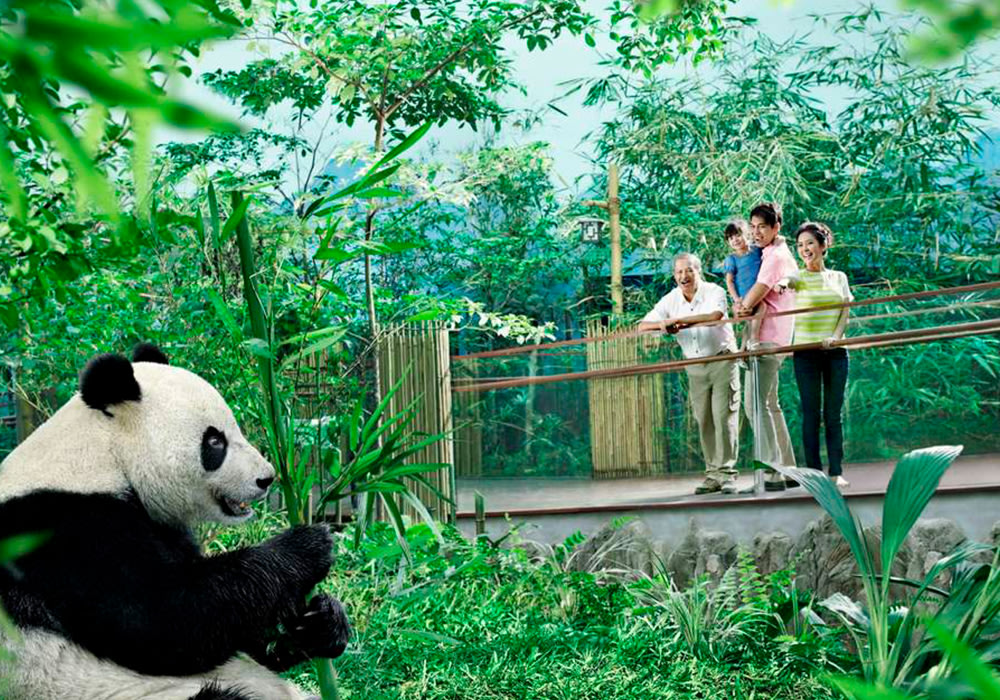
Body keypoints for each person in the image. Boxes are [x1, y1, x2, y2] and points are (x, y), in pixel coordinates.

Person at [639, 253, 740, 495]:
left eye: (689, 270)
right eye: (679, 272)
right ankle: (712, 475)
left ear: (698, 271)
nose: (684, 276)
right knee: (704, 419)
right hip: (694, 366)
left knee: (723, 416)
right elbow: (642, 326)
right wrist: (663, 325)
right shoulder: (670, 300)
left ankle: (726, 475)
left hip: (722, 359)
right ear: (674, 276)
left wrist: (678, 321)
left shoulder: (714, 291)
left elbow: (713, 317)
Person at [735, 202, 798, 491]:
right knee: (770, 405)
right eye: (754, 226)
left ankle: (772, 474)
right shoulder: (777, 253)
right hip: (779, 338)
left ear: (776, 228)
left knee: (755, 406)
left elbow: (752, 298)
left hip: (767, 340)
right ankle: (788, 471)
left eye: (763, 226)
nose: (756, 232)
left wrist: (741, 307)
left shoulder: (774, 258)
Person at [789, 222, 853, 489]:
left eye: (810, 243)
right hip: (805, 353)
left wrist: (836, 336)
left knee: (833, 414)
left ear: (824, 246)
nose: (805, 249)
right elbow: (786, 281)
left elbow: (845, 312)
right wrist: (782, 283)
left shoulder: (839, 277)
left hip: (835, 352)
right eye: (801, 245)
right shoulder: (797, 277)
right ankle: (814, 474)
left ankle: (836, 471)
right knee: (811, 414)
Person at [722, 219, 763, 350]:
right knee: (761, 309)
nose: (735, 240)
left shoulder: (757, 250)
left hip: (759, 291)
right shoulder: (732, 259)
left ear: (748, 234)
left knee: (750, 323)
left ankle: (743, 351)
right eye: (730, 238)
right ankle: (754, 339)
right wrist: (736, 299)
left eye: (738, 235)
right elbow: (729, 281)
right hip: (745, 295)